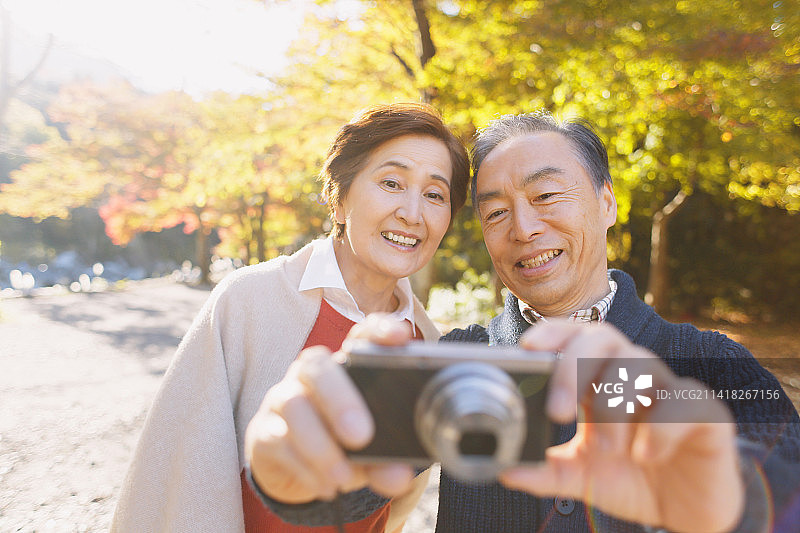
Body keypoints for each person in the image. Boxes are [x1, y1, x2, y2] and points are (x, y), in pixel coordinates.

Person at [245, 111, 800, 532]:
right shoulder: (460, 361)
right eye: (496, 212)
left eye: (547, 195)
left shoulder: (710, 362)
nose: (524, 227)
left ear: (607, 203)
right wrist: (292, 470)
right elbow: (351, 485)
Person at [110, 102, 471, 533]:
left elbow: (391, 504)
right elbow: (182, 475)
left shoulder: (427, 343)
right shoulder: (247, 302)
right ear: (339, 199)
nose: (413, 213)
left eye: (435, 195)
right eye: (391, 183)